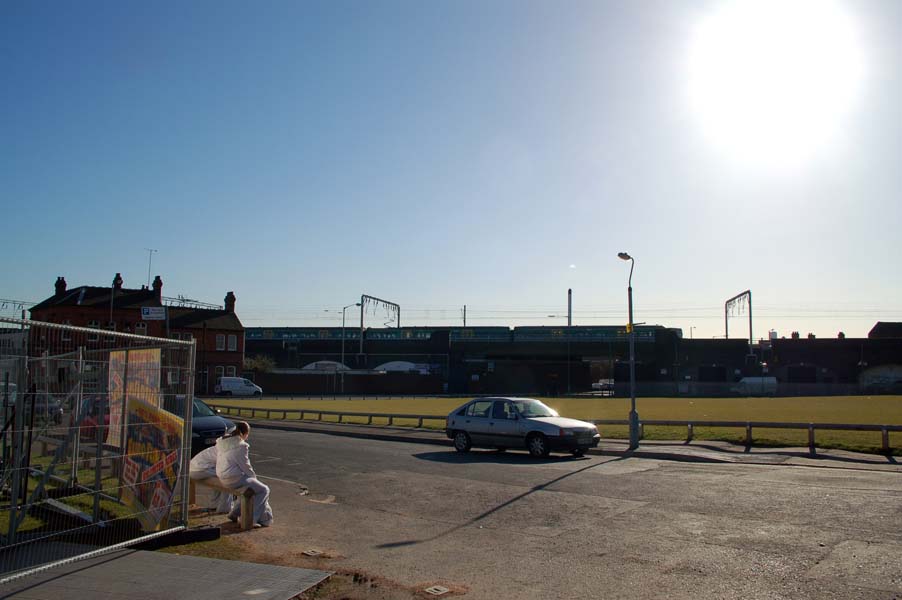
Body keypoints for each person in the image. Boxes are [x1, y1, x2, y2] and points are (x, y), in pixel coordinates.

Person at [215, 421, 273, 527]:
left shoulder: (223, 441)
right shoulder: (241, 446)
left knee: (247, 489)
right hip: (233, 478)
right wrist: (254, 478)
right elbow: (246, 466)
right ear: (245, 433)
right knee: (264, 490)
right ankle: (250, 519)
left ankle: (234, 514)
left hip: (221, 476)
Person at [189, 444, 233, 514]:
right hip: (198, 470)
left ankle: (214, 505)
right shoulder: (225, 452)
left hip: (192, 469)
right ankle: (224, 508)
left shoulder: (216, 448)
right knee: (228, 480)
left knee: (219, 478)